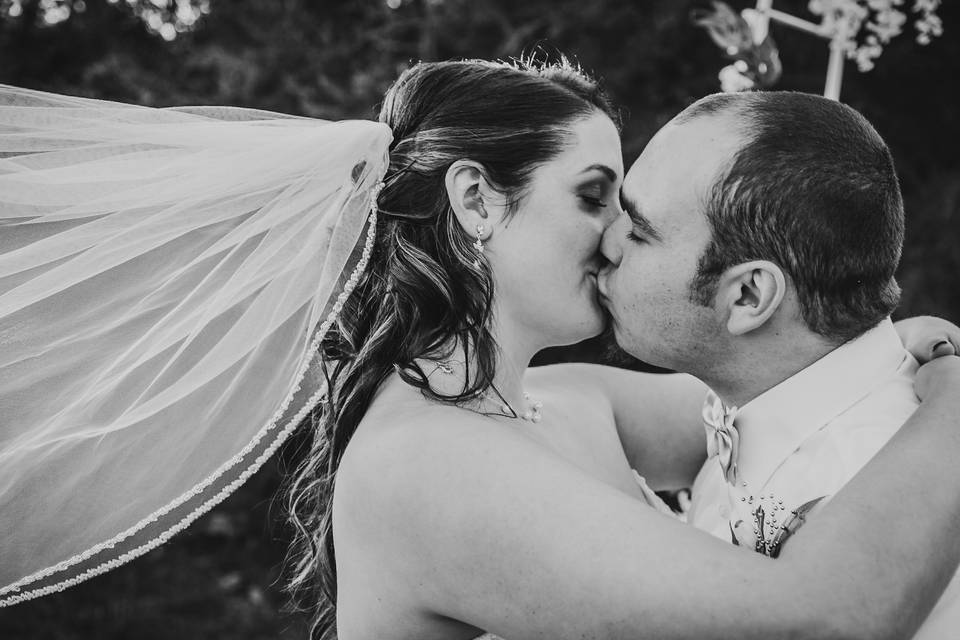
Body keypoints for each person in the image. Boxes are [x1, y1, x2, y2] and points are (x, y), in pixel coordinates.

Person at [1, 58, 959, 640]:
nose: (616, 238)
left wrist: (898, 344)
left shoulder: (566, 402)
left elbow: (779, 383)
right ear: (475, 202)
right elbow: (823, 618)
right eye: (595, 198)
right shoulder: (433, 467)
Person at [601, 90, 960, 636]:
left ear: (748, 296)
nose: (607, 241)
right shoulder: (757, 400)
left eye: (640, 229)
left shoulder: (898, 496)